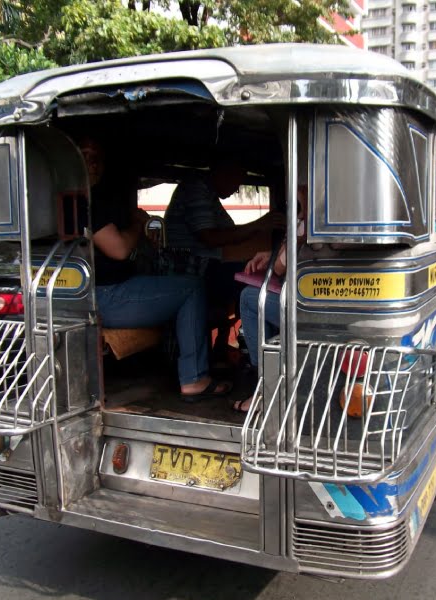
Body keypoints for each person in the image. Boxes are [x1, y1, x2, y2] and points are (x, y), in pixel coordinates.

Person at [80, 137, 230, 402]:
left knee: (170, 282)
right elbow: (119, 249)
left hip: (96, 293)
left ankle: (173, 363)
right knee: (191, 287)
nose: (93, 165)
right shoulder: (86, 203)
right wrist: (138, 224)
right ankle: (195, 378)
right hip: (105, 296)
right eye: (85, 157)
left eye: (97, 159)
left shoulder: (81, 199)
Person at [164, 159, 285, 361]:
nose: (237, 189)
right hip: (192, 267)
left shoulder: (208, 194)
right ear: (224, 172)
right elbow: (209, 237)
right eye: (237, 181)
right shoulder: (196, 188)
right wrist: (259, 225)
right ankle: (261, 360)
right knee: (251, 286)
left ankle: (245, 348)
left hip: (206, 265)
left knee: (253, 274)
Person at [232, 186, 307, 413]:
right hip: (320, 303)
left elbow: (280, 266)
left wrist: (299, 216)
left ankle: (265, 388)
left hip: (307, 310)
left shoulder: (304, 224)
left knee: (249, 299)